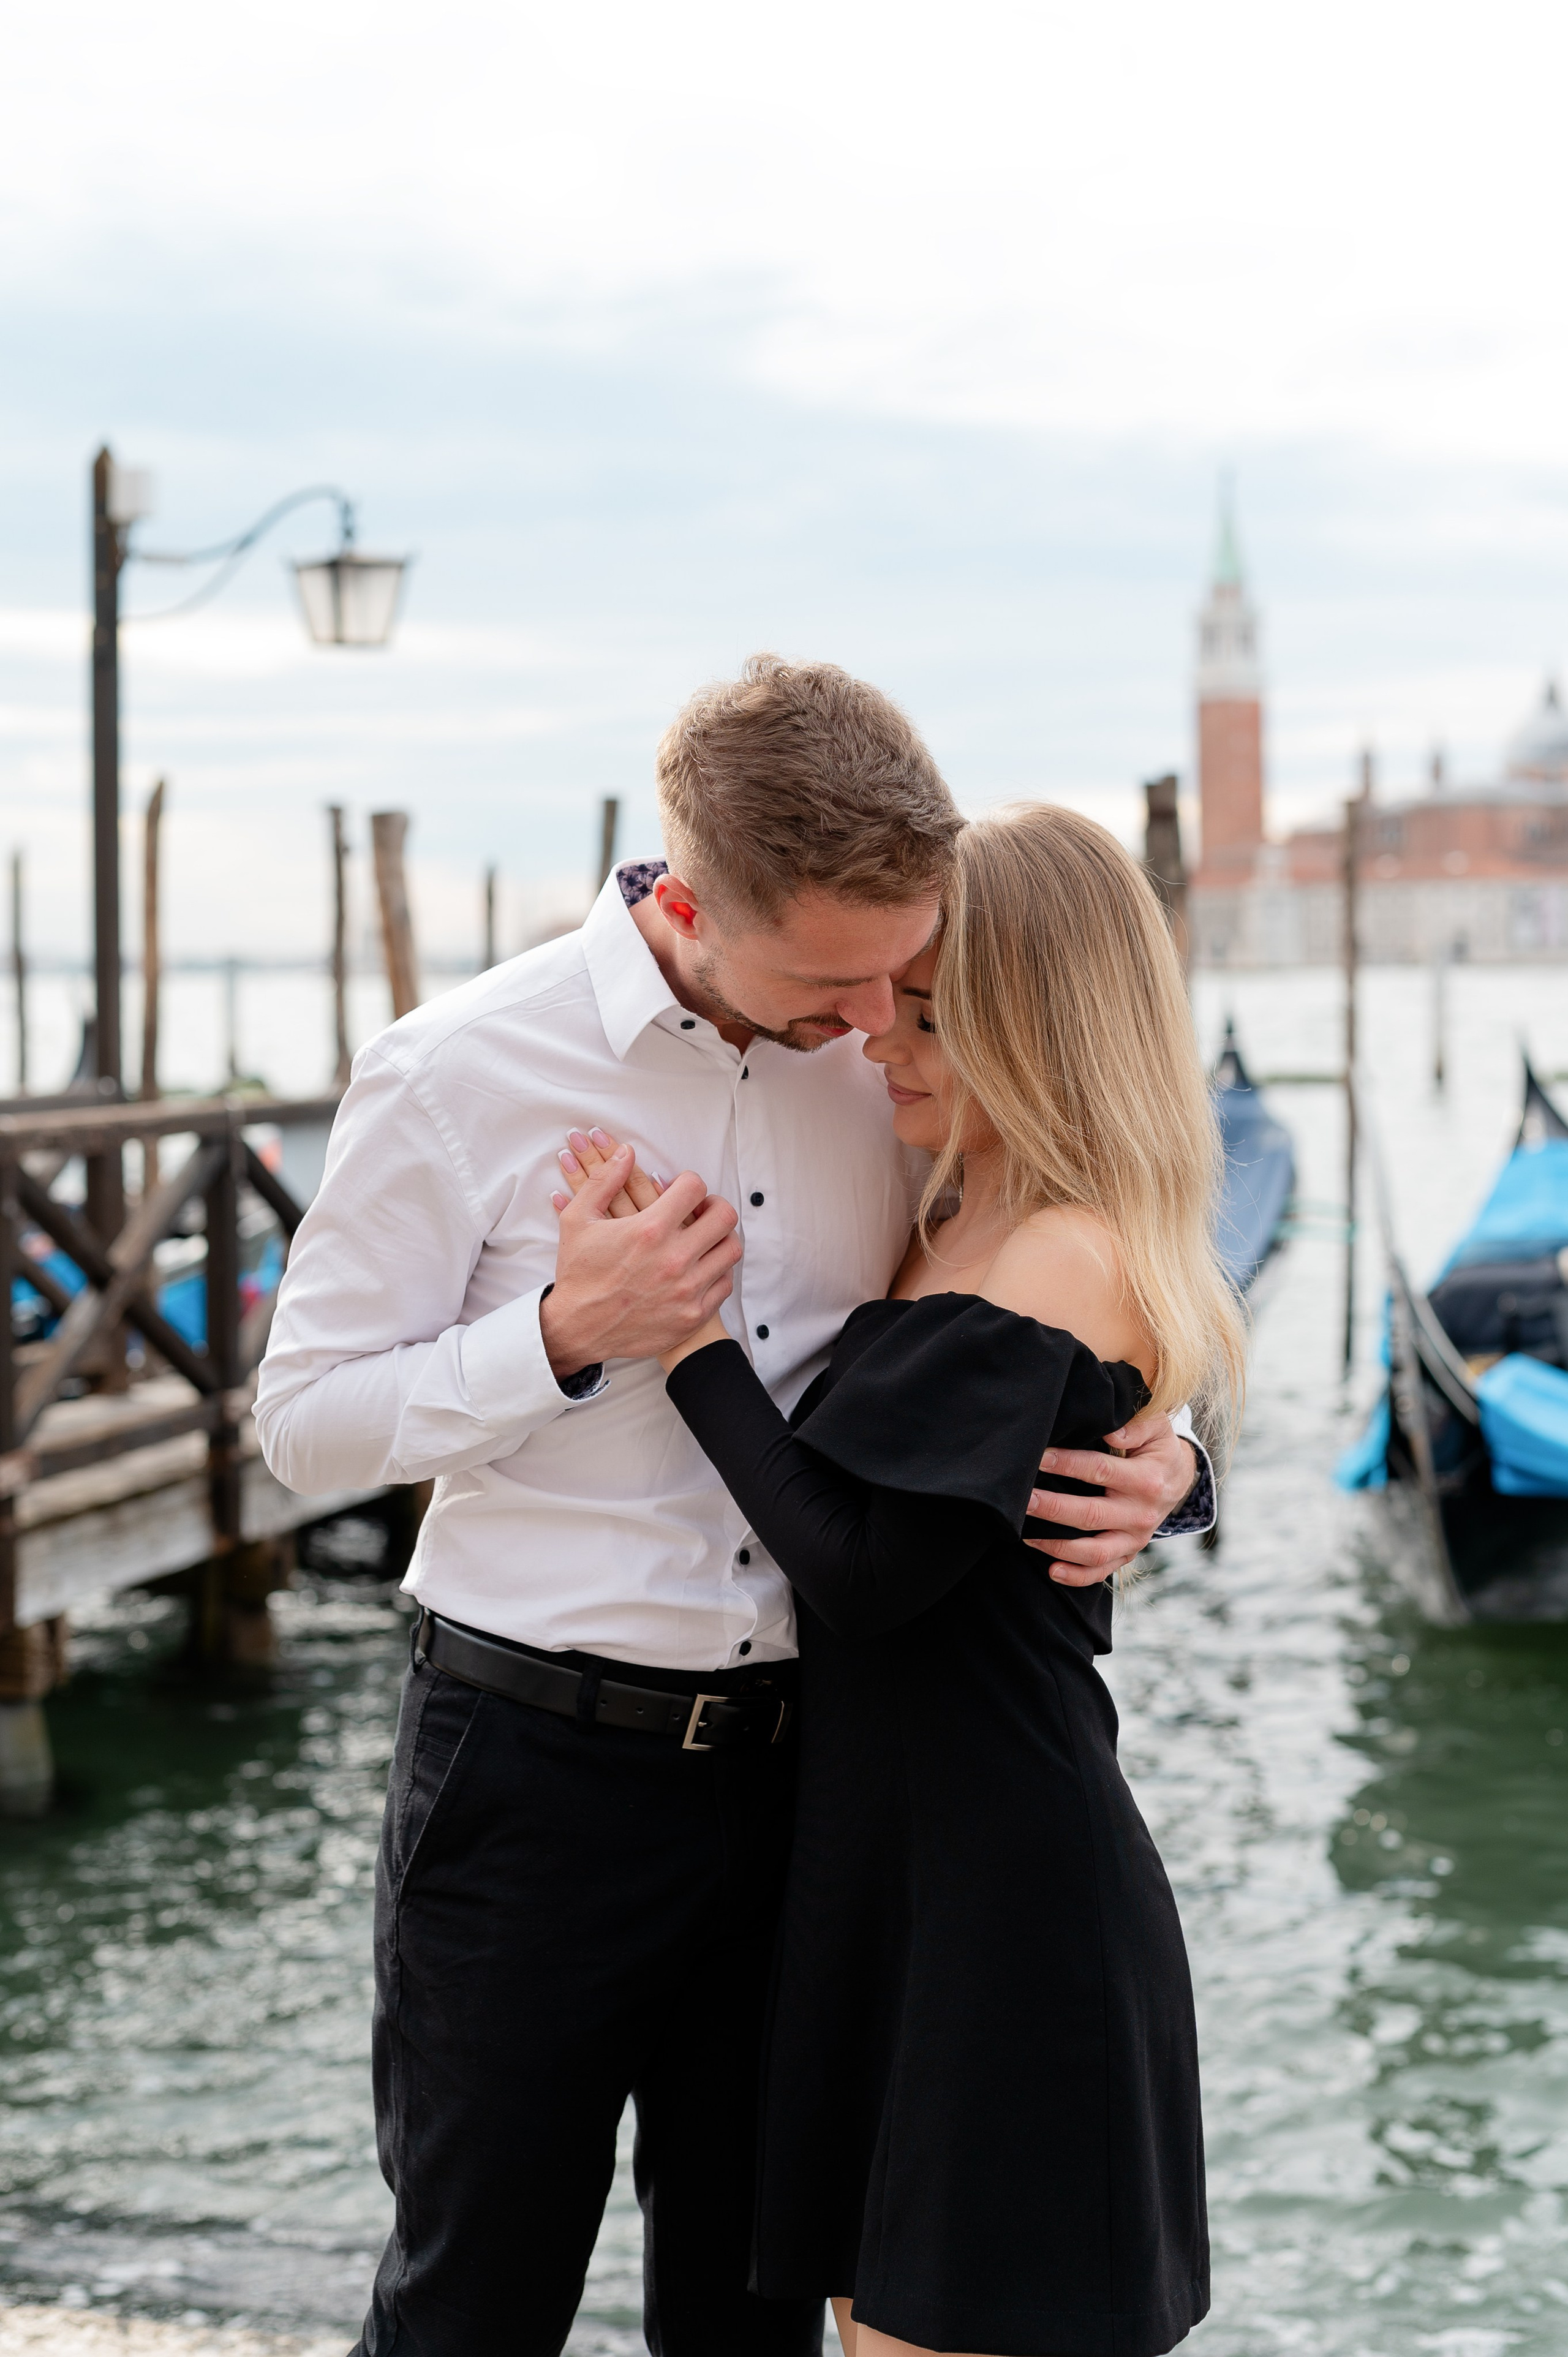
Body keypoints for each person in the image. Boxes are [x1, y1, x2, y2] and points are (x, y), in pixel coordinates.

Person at [254, 657, 1214, 2357]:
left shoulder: (899, 1074)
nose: (869, 1020)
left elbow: (1044, 1308)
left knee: (752, 2319)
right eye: (838, 978)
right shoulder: (458, 1069)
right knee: (473, 2301)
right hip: (534, 1775)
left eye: (903, 977)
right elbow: (306, 1432)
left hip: (810, 1802)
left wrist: (1167, 1462)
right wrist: (566, 1334)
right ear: (689, 902)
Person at [553, 802, 1244, 2357]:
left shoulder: (1064, 1249)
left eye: (928, 1019)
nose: (879, 1045)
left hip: (1005, 1896)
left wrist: (682, 1342)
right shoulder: (944, 1208)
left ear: (1037, 1031)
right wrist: (1182, 1465)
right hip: (888, 1875)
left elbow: (864, 1573)